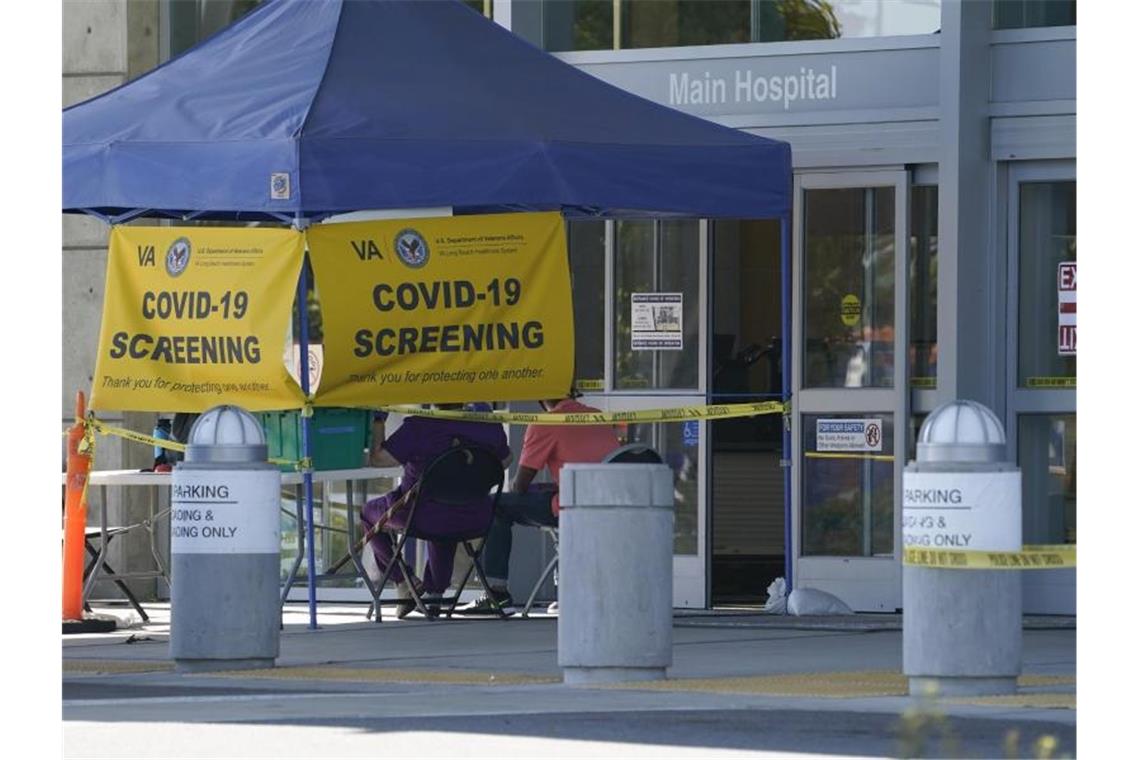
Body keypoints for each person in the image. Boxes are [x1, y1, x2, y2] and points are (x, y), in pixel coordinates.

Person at [457, 389, 620, 615]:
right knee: (546, 497)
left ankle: (495, 592)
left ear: (541, 399)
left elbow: (520, 485)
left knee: (495, 505)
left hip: (573, 506)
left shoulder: (545, 422)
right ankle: (571, 592)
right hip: (612, 504)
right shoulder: (597, 417)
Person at [364, 403, 510, 618]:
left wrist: (378, 420)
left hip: (421, 515)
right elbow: (505, 461)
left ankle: (404, 581)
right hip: (475, 516)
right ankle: (434, 594)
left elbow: (378, 459)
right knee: (448, 508)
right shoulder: (488, 425)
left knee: (368, 513)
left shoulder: (419, 426)